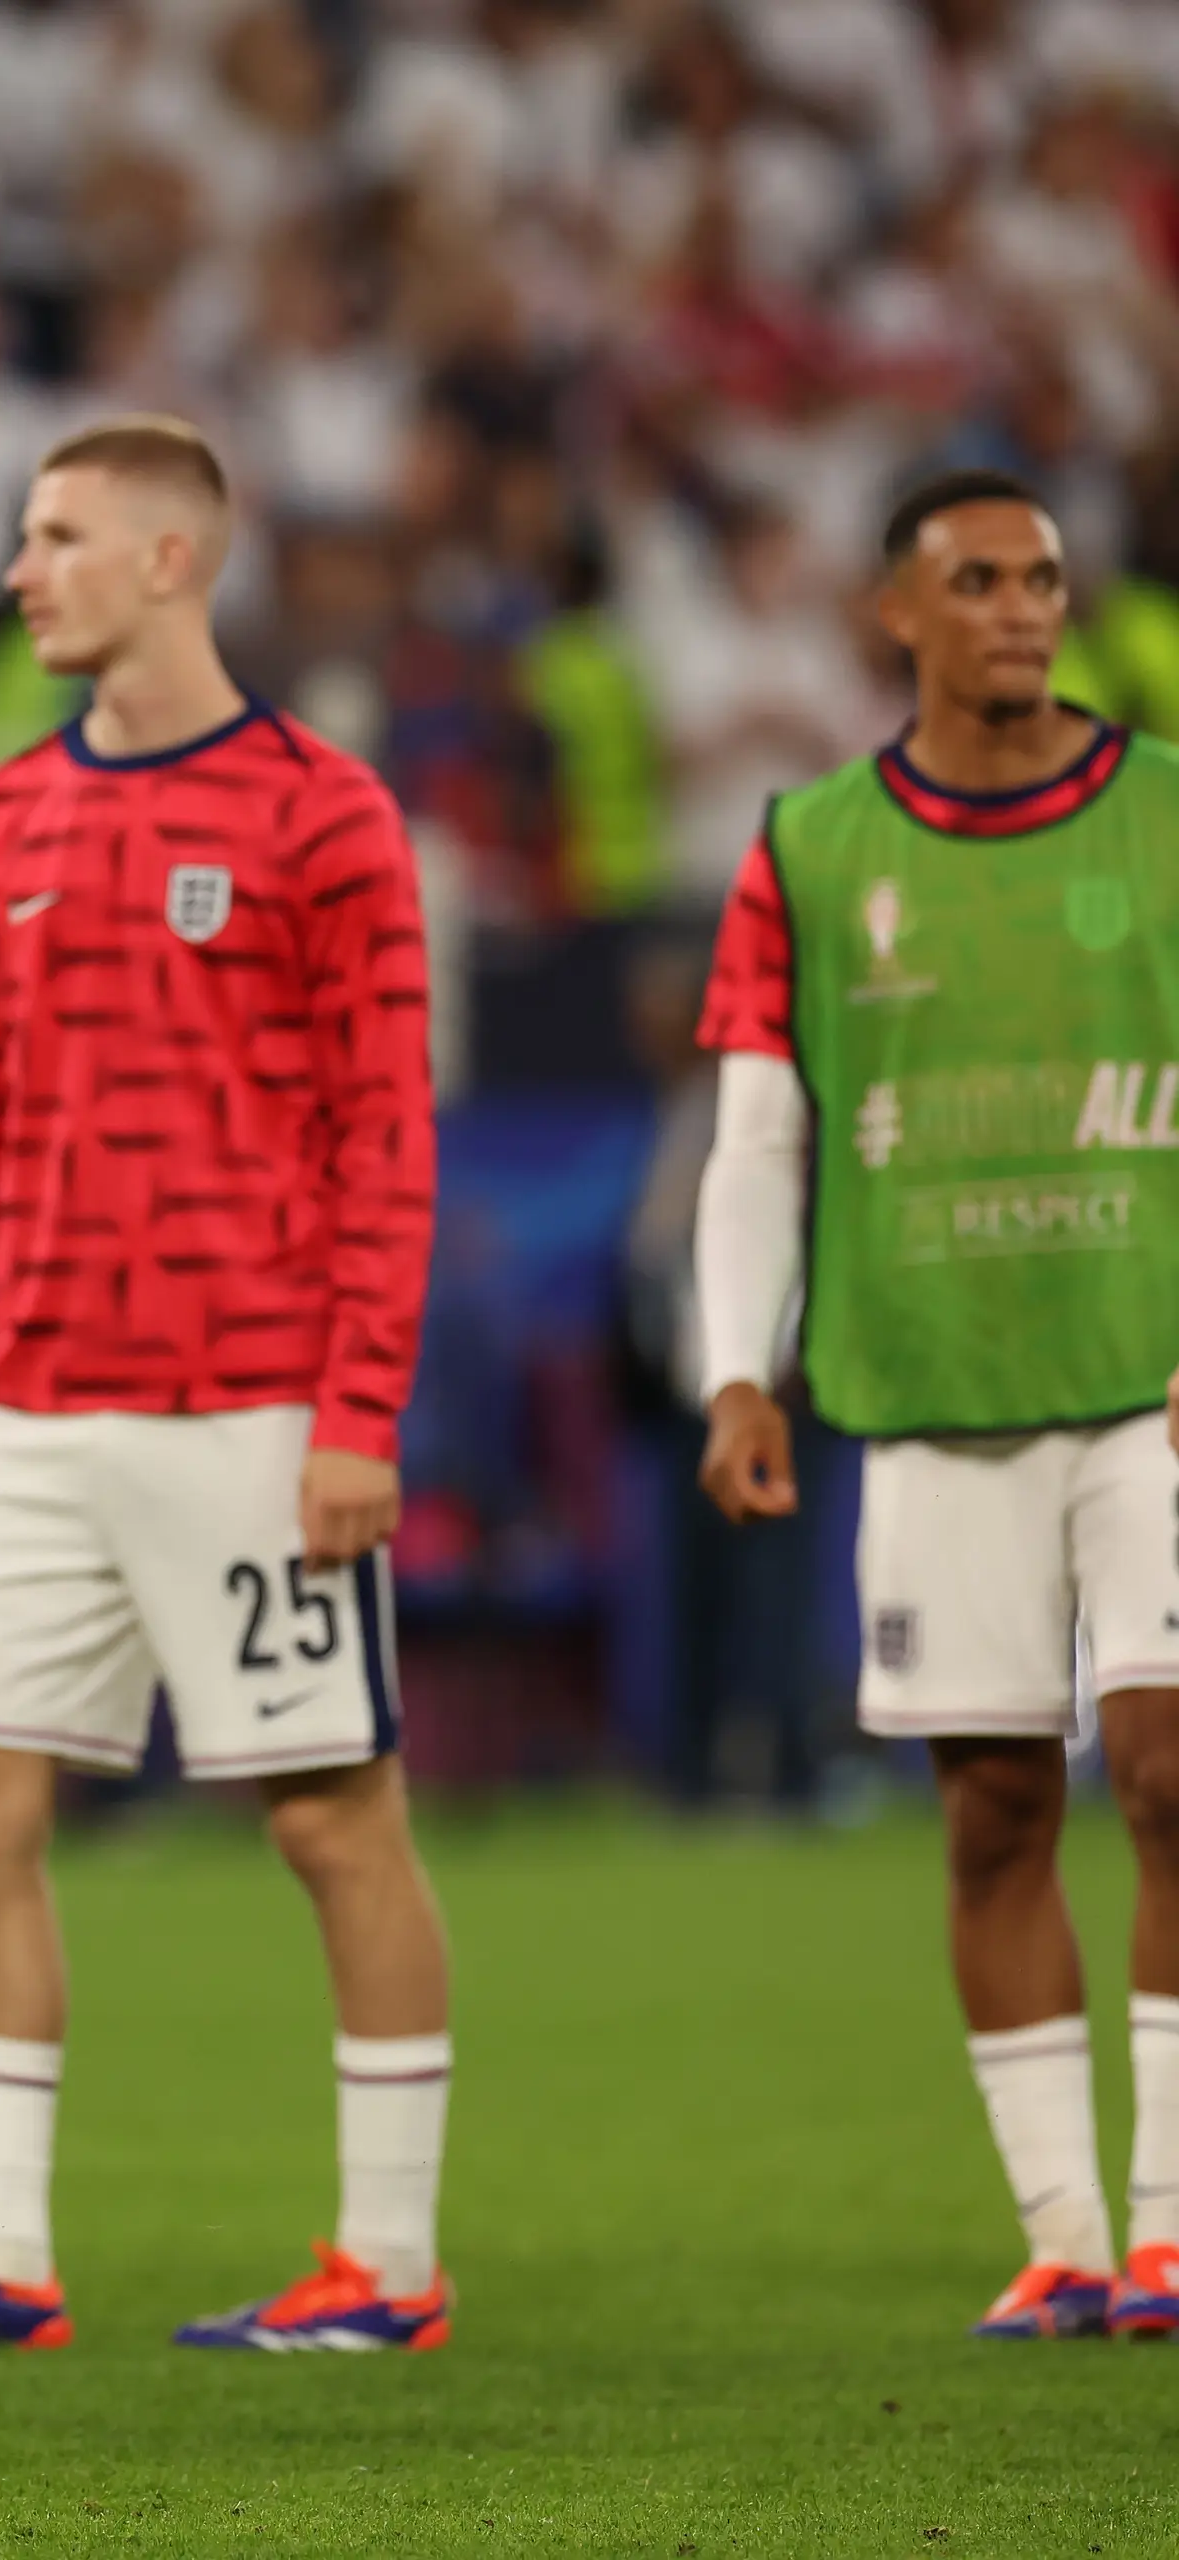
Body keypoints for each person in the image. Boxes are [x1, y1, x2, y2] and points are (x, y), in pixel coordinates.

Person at [0, 415, 445, 2359]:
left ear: (174, 558)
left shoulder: (325, 812)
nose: (22, 571)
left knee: (332, 1818)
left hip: (253, 1405)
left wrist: (359, 1413)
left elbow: (386, 1137)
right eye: (25, 536)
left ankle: (389, 2267)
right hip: (28, 1406)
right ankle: (0, 2261)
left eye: (61, 535)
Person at [695, 468, 1179, 2342]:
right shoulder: (812, 847)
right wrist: (741, 1368)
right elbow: (760, 1133)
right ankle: (1065, 2236)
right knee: (992, 1811)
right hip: (928, 1388)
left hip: (1149, 1385)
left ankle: (1169, 2228)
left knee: (1167, 1776)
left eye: (1043, 577)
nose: (1023, 607)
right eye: (978, 580)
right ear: (895, 612)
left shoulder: (1161, 810)